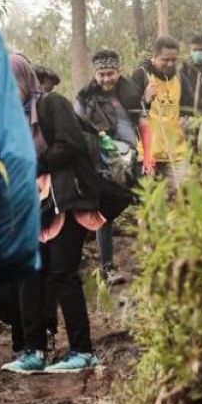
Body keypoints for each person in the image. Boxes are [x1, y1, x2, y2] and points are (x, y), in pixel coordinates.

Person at [0, 55, 103, 374]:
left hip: (66, 199)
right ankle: (34, 351)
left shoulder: (52, 104)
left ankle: (83, 351)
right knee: (29, 274)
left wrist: (33, 164)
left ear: (24, 81)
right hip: (35, 205)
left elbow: (71, 144)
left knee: (62, 272)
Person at [75, 49, 141, 281]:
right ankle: (107, 268)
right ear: (95, 74)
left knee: (148, 204)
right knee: (105, 213)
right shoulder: (85, 98)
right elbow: (78, 129)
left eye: (110, 73)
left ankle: (156, 262)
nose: (106, 79)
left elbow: (144, 123)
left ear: (118, 71)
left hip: (133, 159)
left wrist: (148, 157)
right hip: (102, 162)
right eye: (101, 74)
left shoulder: (130, 92)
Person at [131, 35, 193, 194]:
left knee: (184, 198)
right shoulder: (141, 76)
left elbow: (191, 106)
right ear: (155, 57)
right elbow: (129, 111)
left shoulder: (180, 78)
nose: (170, 64)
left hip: (176, 154)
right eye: (165, 60)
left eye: (174, 60)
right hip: (148, 153)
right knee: (150, 201)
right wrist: (145, 99)